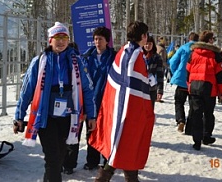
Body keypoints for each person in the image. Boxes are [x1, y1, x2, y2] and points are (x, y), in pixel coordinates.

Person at [13, 22, 96, 182]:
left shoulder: (76, 62)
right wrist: (19, 116)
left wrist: (91, 115)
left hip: (68, 116)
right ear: (50, 40)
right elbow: (27, 91)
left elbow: (87, 89)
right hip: (46, 116)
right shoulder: (39, 62)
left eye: (64, 37)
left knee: (60, 157)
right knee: (52, 158)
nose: (61, 41)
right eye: (57, 37)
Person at [89, 21, 154, 182]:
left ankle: (105, 178)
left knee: (122, 145)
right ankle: (108, 179)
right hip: (130, 111)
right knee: (127, 144)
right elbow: (136, 87)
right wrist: (151, 82)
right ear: (143, 36)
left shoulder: (123, 51)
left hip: (117, 107)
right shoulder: (136, 56)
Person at [63, 27, 116, 174]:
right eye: (96, 39)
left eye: (100, 39)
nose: (97, 42)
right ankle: (87, 162)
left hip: (105, 101)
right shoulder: (86, 57)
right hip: (86, 101)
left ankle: (106, 161)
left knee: (103, 132)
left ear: (107, 41)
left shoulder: (113, 58)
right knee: (83, 131)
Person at [186, 30, 222, 150]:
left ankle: (197, 140)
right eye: (212, 38)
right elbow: (219, 75)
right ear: (209, 40)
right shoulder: (215, 55)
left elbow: (188, 70)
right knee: (208, 114)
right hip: (209, 87)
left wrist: (189, 84)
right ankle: (206, 135)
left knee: (196, 114)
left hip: (194, 86)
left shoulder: (193, 53)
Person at [169, 32, 199, 133]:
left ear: (188, 39)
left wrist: (176, 73)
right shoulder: (199, 50)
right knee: (193, 105)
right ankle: (190, 126)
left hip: (182, 79)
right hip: (194, 81)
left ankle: (180, 120)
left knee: (179, 102)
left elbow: (172, 61)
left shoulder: (183, 48)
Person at [143, 35, 164, 106]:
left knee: (149, 110)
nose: (147, 46)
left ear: (153, 45)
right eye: (146, 43)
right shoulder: (139, 55)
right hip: (140, 88)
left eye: (150, 44)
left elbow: (160, 75)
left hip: (152, 88)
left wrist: (160, 90)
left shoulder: (157, 58)